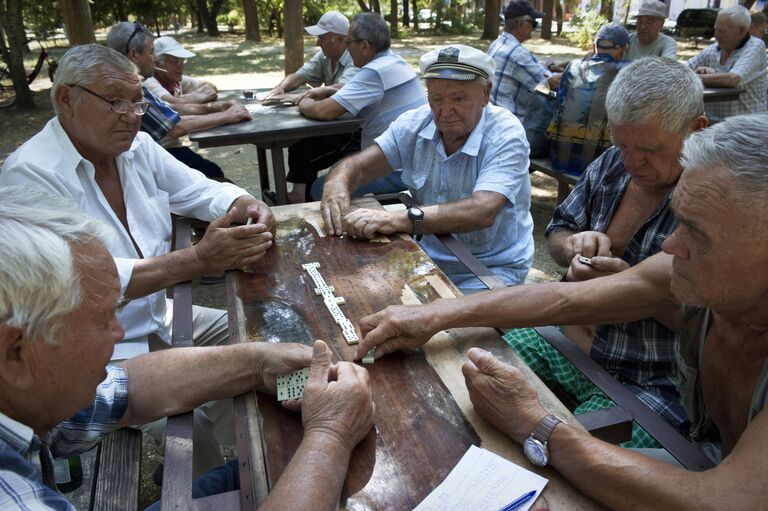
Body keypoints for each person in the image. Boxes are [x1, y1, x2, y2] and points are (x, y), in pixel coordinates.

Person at [356, 114, 768, 509]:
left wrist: (536, 424)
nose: (672, 246)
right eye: (679, 223)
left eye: (698, 233)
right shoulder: (697, 274)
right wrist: (435, 315)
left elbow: (728, 501)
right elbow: (562, 299)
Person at [0, 186, 374, 510]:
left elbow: (125, 392)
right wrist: (330, 435)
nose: (118, 333)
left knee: (258, 471)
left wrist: (256, 364)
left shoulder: (23, 392)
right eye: (101, 321)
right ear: (15, 353)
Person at [0, 43, 275, 476]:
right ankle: (215, 490)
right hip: (89, 347)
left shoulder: (138, 147)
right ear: (66, 99)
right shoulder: (29, 174)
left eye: (137, 101)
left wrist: (246, 202)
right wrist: (199, 260)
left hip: (159, 316)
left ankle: (249, 459)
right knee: (190, 432)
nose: (131, 115)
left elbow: (201, 189)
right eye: (114, 100)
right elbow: (84, 282)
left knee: (254, 334)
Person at [528, 57, 707, 446]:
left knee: (571, 457)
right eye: (621, 144)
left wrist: (627, 286)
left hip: (651, 384)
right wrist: (573, 246)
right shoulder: (613, 164)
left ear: (697, 130)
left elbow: (709, 327)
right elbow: (558, 231)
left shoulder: (716, 201)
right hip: (567, 341)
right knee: (477, 360)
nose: (630, 161)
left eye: (648, 149)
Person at [320, 45, 533, 290]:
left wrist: (397, 220)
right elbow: (358, 166)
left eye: (459, 98)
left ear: (486, 94)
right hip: (426, 257)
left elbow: (482, 210)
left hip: (489, 269)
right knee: (346, 289)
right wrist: (336, 184)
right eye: (436, 98)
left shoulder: (506, 133)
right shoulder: (415, 123)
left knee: (425, 324)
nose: (445, 110)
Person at [300, 12, 427, 200]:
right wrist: (333, 92)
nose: (347, 49)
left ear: (365, 46)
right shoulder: (393, 61)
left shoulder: (374, 72)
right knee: (337, 169)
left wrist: (304, 102)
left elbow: (324, 111)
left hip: (399, 169)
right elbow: (361, 90)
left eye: (349, 43)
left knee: (321, 188)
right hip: (414, 160)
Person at [107, 22, 252, 180]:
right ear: (134, 54)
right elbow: (174, 127)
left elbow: (173, 115)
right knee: (217, 178)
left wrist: (219, 108)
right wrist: (228, 115)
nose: (154, 60)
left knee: (213, 173)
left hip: (139, 163)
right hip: (141, 168)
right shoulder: (130, 88)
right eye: (151, 52)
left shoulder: (124, 82)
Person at [263, 11, 361, 204]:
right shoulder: (324, 57)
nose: (318, 43)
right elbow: (300, 75)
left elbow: (341, 89)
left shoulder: (354, 59)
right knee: (300, 143)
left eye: (323, 38)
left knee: (304, 152)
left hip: (353, 131)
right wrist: (280, 87)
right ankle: (300, 198)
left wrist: (304, 97)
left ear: (341, 39)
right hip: (332, 124)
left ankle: (297, 199)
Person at [547, 23, 630, 176]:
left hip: (560, 157)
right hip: (601, 165)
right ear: (623, 48)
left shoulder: (573, 66)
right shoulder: (626, 70)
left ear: (594, 47)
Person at [488, 0, 563, 157]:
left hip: (493, 123)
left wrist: (549, 67)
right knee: (570, 143)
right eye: (533, 23)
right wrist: (581, 67)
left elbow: (528, 70)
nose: (535, 28)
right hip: (514, 132)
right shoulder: (517, 52)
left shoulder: (498, 44)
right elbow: (554, 83)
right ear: (522, 24)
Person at [687, 5, 767, 121]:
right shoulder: (713, 49)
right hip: (714, 125)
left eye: (722, 31)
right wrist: (697, 72)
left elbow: (732, 79)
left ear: (742, 30)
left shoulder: (755, 46)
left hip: (748, 127)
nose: (716, 35)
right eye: (716, 29)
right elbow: (681, 69)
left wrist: (694, 76)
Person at [143, 36, 219, 105]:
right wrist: (200, 96)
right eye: (175, 62)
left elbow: (211, 87)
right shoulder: (149, 82)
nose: (182, 66)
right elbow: (171, 103)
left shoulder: (175, 81)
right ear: (157, 63)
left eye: (183, 61)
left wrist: (191, 97)